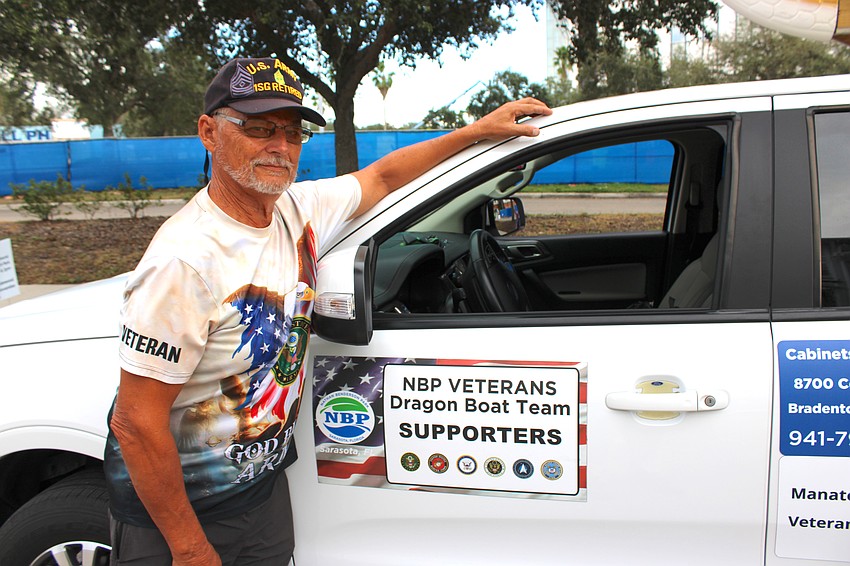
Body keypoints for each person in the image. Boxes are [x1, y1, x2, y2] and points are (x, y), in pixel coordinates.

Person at [103, 56, 551, 566]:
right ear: (209, 131)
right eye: (258, 128)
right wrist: (188, 548)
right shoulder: (184, 262)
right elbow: (135, 423)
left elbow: (382, 176)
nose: (279, 146)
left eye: (293, 134)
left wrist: (475, 133)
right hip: (180, 516)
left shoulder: (296, 208)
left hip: (257, 490)